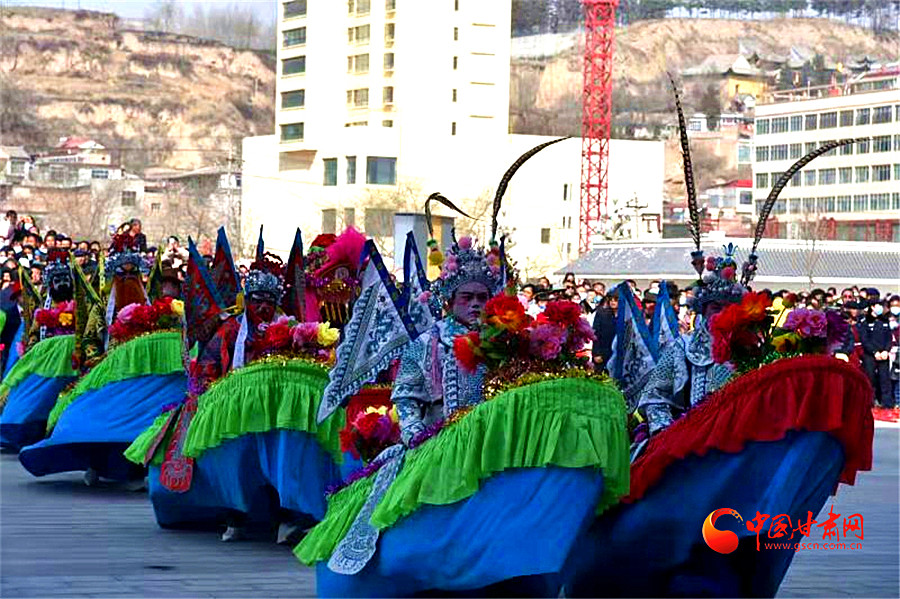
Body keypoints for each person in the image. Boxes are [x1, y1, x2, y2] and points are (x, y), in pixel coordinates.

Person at [393, 236, 501, 444]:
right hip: (440, 442)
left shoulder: (504, 340)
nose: (475, 304)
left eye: (482, 297)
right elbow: (405, 397)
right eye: (467, 298)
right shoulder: (427, 342)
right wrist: (416, 437)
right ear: (450, 303)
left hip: (494, 440)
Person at [859, 301, 893, 407]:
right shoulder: (865, 322)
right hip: (870, 355)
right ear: (872, 307)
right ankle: (870, 402)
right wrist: (874, 352)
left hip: (884, 354)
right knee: (870, 379)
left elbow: (889, 338)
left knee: (885, 379)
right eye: (878, 306)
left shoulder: (884, 321)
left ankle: (887, 403)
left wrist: (886, 350)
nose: (880, 308)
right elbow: (865, 340)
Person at [592, 291, 618, 373]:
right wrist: (596, 353)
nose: (613, 302)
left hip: (619, 354)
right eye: (611, 299)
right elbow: (595, 334)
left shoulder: (626, 316)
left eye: (616, 299)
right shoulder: (601, 314)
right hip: (603, 351)